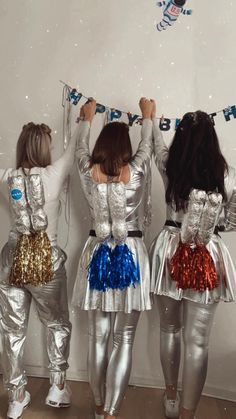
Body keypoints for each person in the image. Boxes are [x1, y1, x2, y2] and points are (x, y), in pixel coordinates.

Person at [150, 103, 236, 419]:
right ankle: (188, 414)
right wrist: (214, 224)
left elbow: (155, 145)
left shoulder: (169, 166)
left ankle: (171, 397)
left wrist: (148, 119)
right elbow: (234, 220)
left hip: (169, 251)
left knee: (169, 329)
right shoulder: (227, 176)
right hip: (208, 253)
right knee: (197, 342)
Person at [72, 98, 153, 419]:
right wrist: (147, 117)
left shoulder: (86, 169)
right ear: (126, 147)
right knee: (125, 338)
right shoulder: (137, 170)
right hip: (131, 253)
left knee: (98, 336)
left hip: (97, 253)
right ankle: (111, 412)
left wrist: (86, 119)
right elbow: (147, 145)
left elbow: (80, 148)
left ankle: (96, 406)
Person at [0, 120, 80, 418]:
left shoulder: (7, 177)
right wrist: (85, 118)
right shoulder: (53, 174)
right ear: (43, 148)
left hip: (11, 258)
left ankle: (16, 397)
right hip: (47, 260)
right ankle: (57, 386)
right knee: (57, 323)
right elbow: (74, 148)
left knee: (12, 331)